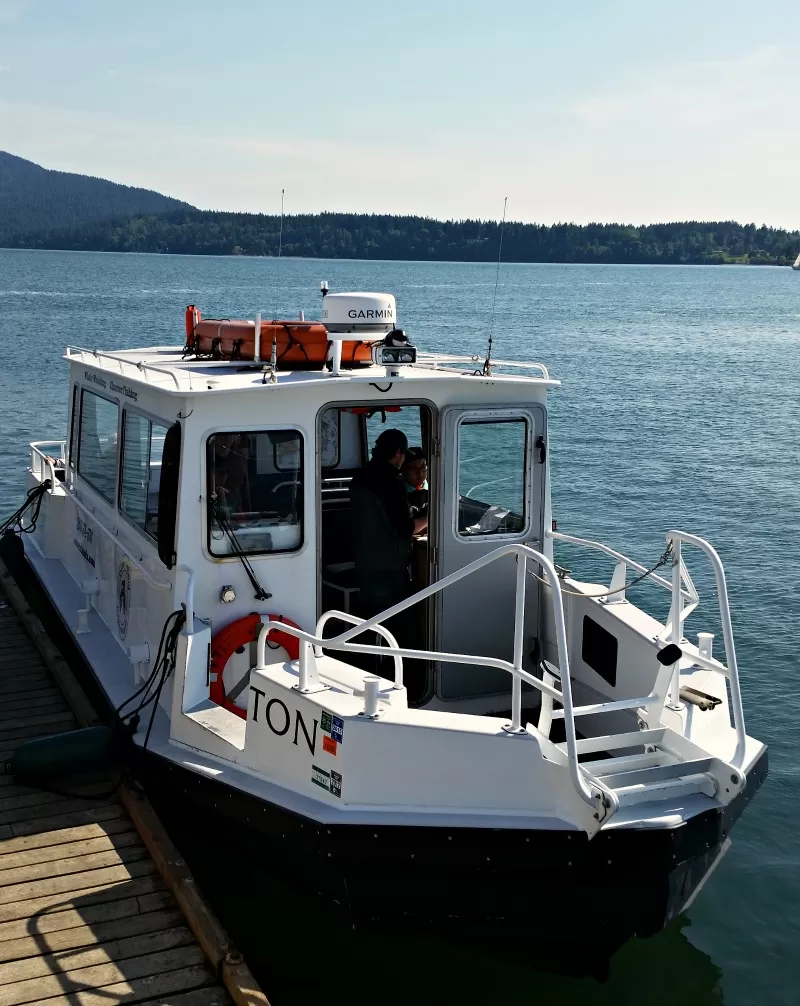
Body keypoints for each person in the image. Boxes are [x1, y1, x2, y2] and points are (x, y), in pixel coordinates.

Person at [349, 429, 426, 619]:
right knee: (395, 622)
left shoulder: (361, 476)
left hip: (365, 560)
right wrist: (429, 519)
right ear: (398, 453)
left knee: (371, 620)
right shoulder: (392, 483)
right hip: (389, 566)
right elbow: (404, 529)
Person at [401, 448, 429, 519]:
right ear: (404, 471)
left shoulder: (435, 486)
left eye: (423, 467)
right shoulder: (400, 494)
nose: (420, 472)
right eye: (414, 468)